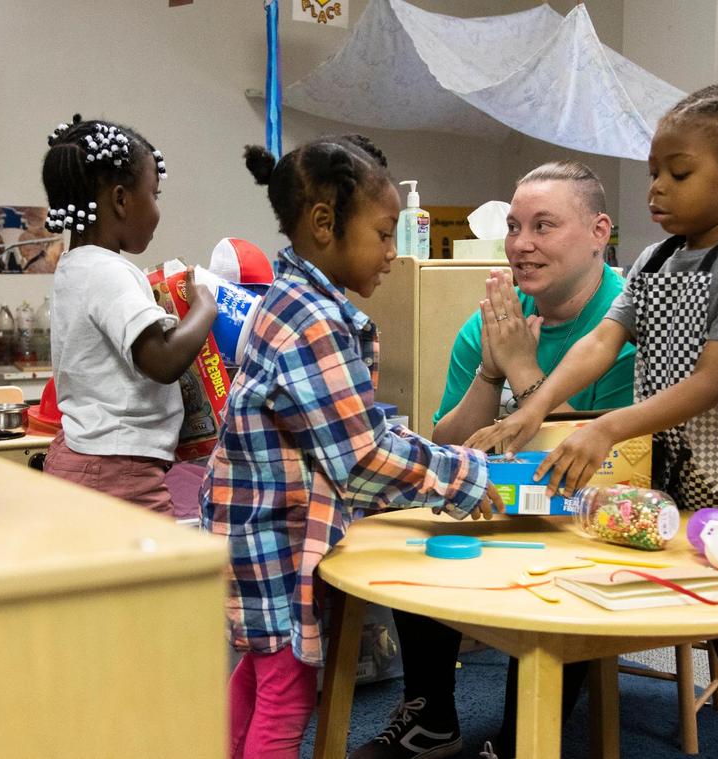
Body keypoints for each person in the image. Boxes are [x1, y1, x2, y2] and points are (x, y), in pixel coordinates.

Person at [471, 85, 718, 759]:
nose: (657, 187)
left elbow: (711, 381)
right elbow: (602, 341)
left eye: (678, 172)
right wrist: (537, 406)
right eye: (655, 169)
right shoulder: (655, 261)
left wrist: (608, 427)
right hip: (690, 472)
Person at [200, 134, 505, 759]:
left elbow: (356, 427)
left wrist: (432, 458)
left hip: (252, 527)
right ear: (323, 224)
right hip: (274, 536)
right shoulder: (314, 321)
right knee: (286, 694)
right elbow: (361, 459)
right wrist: (466, 476)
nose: (393, 253)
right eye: (384, 234)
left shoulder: (291, 299)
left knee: (259, 675)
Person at [352, 161, 636, 759]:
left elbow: (610, 470)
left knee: (571, 568)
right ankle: (432, 717)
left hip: (593, 520)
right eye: (513, 226)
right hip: (505, 504)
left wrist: (524, 370)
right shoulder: (496, 321)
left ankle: (523, 740)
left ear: (598, 231)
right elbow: (447, 443)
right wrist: (490, 366)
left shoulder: (625, 325)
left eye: (543, 225)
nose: (521, 245)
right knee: (416, 510)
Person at [40, 114, 217, 515]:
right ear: (121, 200)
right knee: (155, 576)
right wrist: (205, 307)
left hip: (85, 456)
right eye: (154, 195)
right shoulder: (108, 271)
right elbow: (163, 360)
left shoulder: (75, 266)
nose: (156, 210)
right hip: (115, 470)